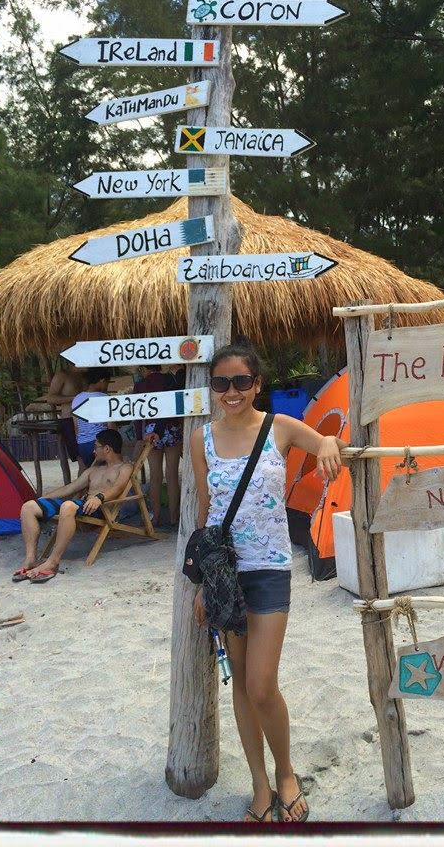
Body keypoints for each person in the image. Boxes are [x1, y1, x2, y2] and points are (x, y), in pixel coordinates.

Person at [190, 342, 342, 824]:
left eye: (241, 381)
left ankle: (286, 772)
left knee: (261, 685)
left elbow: (326, 440)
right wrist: (201, 582)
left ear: (256, 384)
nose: (231, 391)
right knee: (239, 681)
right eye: (221, 383)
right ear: (212, 388)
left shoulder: (280, 427)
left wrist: (328, 445)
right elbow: (205, 510)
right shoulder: (201, 439)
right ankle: (260, 782)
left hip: (271, 569)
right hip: (224, 574)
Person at [13, 429, 133, 583]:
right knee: (28, 507)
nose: (93, 450)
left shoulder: (125, 467)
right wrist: (44, 498)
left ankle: (53, 562)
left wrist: (100, 498)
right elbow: (70, 488)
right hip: (81, 505)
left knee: (68, 506)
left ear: (107, 448)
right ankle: (30, 559)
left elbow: (117, 488)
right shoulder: (93, 470)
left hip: (101, 508)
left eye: (96, 446)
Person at [132, 366, 182, 530]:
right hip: (171, 427)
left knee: (155, 476)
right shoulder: (170, 379)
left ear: (144, 368)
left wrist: (139, 438)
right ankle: (174, 517)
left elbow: (138, 414)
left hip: (150, 430)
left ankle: (155, 517)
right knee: (172, 475)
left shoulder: (140, 385)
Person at [45, 359, 86, 469]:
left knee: (93, 458)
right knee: (82, 460)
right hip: (70, 419)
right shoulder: (62, 375)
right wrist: (76, 398)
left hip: (88, 420)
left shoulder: (87, 376)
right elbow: (50, 398)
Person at [71, 368, 113, 470]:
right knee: (105, 472)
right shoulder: (105, 397)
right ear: (102, 380)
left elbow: (76, 426)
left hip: (83, 443)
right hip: (101, 442)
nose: (107, 386)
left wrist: (80, 442)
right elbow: (111, 425)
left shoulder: (76, 399)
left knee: (91, 472)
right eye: (107, 382)